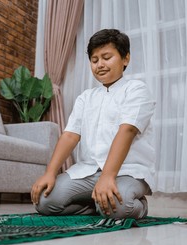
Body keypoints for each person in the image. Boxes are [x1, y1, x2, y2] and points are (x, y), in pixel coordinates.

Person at [31, 29, 155, 219]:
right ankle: (95, 204)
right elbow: (70, 135)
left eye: (107, 57)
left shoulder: (137, 90)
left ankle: (139, 206)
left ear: (125, 59)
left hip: (127, 171)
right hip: (88, 171)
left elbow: (127, 131)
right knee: (44, 202)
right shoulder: (85, 97)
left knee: (117, 209)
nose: (100, 64)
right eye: (95, 60)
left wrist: (107, 176)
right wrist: (50, 172)